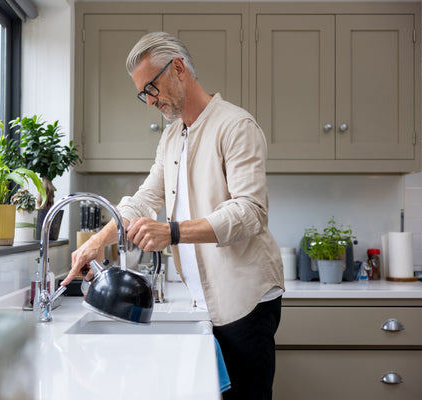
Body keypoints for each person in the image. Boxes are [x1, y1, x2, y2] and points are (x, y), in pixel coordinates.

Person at [61, 32, 284, 400]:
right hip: (207, 304)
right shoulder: (172, 137)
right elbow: (147, 197)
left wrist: (173, 232)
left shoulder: (235, 126)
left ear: (178, 69)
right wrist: (98, 243)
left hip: (245, 302)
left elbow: (250, 212)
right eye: (142, 93)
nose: (149, 101)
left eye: (151, 87)